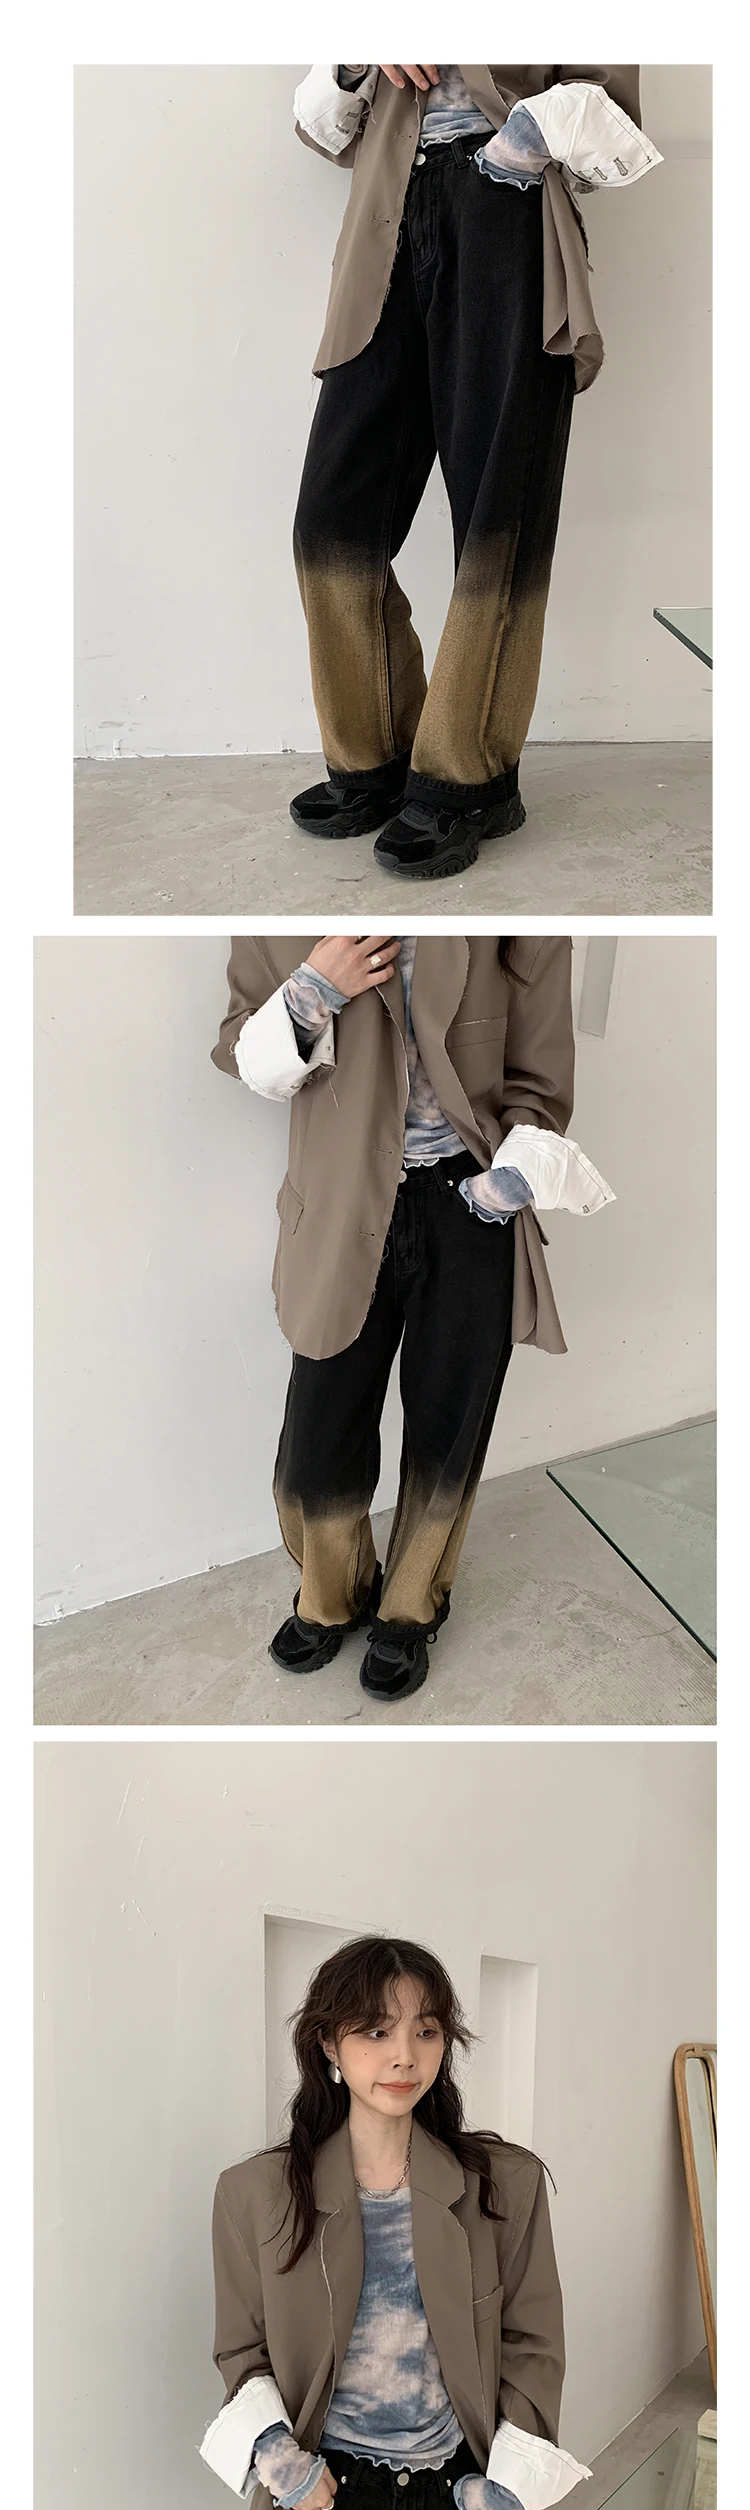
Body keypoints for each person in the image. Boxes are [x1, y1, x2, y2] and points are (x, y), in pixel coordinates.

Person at [289, 61, 640, 878]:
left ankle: (467, 780)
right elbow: (319, 128)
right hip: (386, 217)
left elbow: (616, 112)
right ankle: (375, 757)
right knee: (333, 518)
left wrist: (516, 146)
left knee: (495, 523)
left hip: (504, 212)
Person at [211, 932, 575, 1702]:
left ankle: (411, 1607)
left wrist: (510, 1180)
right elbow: (241, 1047)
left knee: (449, 1427)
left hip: (471, 1203)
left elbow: (540, 1065)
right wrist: (314, 987)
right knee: (319, 1433)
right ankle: (331, 1593)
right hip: (339, 1206)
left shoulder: (511, 916)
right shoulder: (282, 909)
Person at [207, 1933, 584, 2510]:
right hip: (327, 2500)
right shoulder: (256, 2194)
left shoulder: (504, 2185)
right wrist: (277, 2456)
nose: (405, 2054)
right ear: (328, 2043)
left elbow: (533, 2341)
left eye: (426, 2030)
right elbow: (241, 2349)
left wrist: (501, 2483)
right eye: (376, 2030)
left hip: (454, 2503)